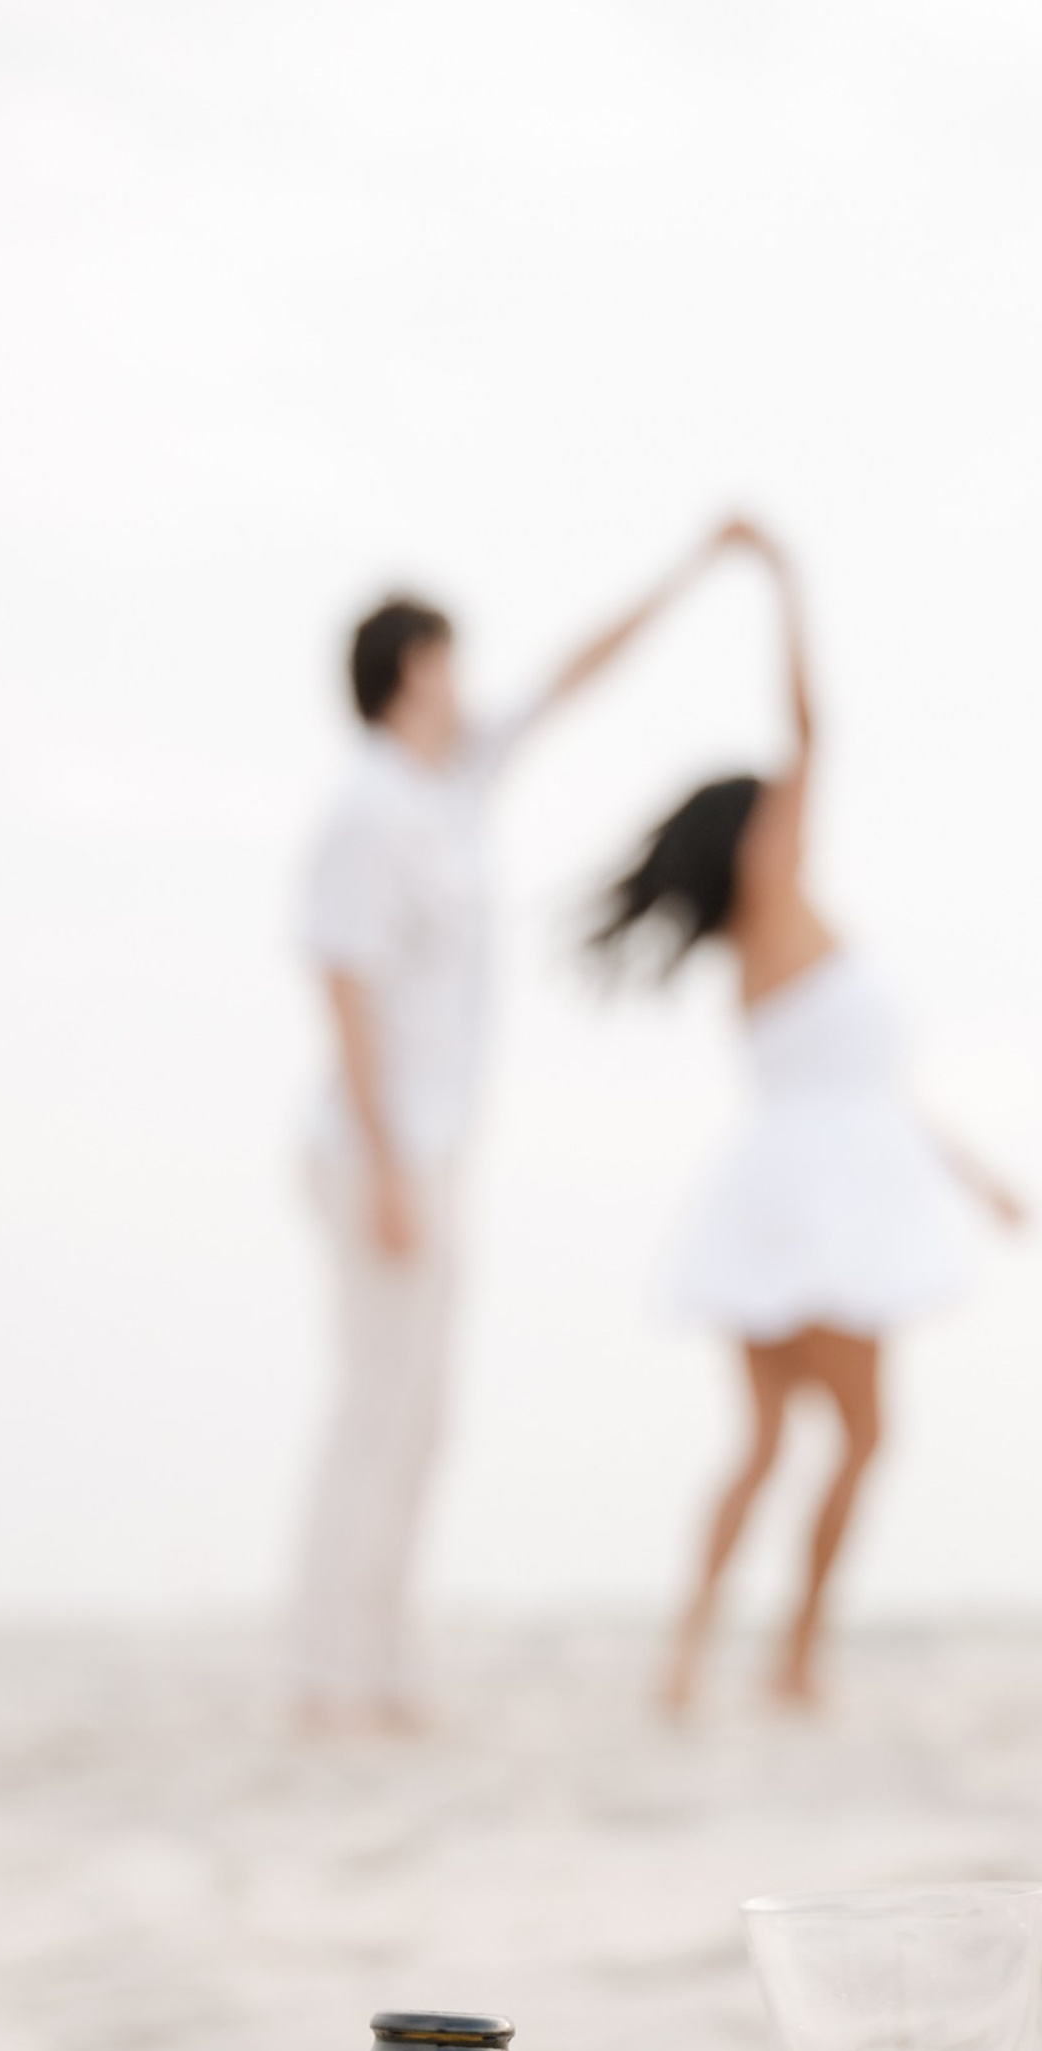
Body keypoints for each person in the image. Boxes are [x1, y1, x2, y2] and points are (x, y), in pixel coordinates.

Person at [292, 527, 740, 1734]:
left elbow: (575, 672)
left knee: (424, 1410)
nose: (468, 679)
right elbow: (341, 984)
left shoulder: (454, 784)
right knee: (377, 1402)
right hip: (375, 1146)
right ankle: (326, 1674)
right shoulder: (368, 810)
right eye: (448, 661)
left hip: (435, 1144)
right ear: (411, 672)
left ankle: (380, 1667)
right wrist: (388, 1167)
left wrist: (690, 570)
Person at [589, 523, 1027, 1715]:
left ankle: (691, 1655)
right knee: (862, 1438)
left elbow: (871, 1083)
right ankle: (793, 1655)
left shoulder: (767, 945)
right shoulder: (777, 912)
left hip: (780, 1193)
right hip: (828, 1206)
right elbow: (814, 736)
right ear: (762, 835)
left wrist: (972, 1176)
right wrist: (783, 582)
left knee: (770, 1444)